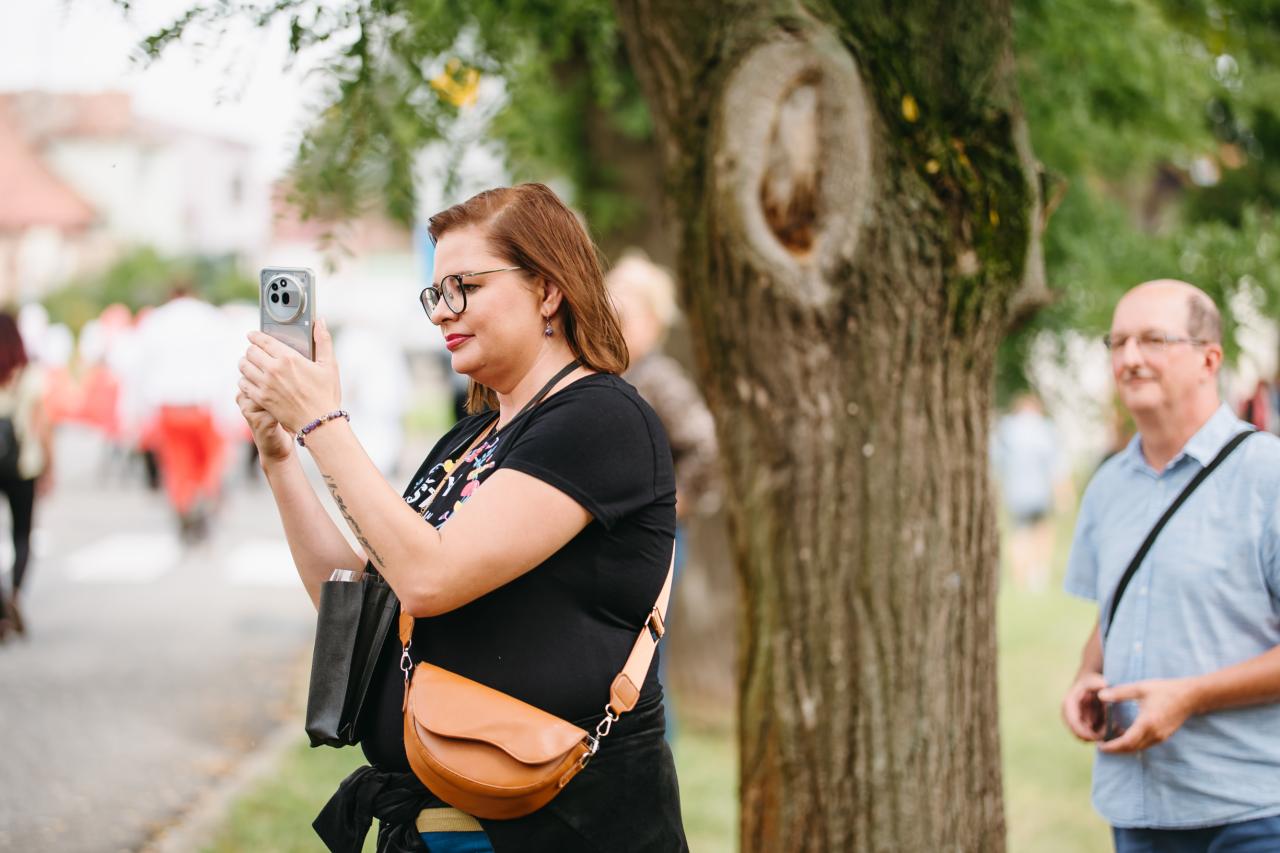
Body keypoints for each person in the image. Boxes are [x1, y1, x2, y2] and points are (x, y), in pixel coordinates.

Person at [238, 183, 688, 852]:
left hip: (558, 831)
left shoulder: (602, 418)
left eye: (466, 287)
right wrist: (280, 456)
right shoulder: (471, 438)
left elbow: (429, 577)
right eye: (436, 293)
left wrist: (322, 420)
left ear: (547, 290)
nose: (442, 311)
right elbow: (359, 606)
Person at [1060, 279, 1280, 851]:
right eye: (1118, 342)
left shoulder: (1268, 476)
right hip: (1137, 811)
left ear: (1209, 359)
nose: (1129, 358)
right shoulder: (1107, 486)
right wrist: (1086, 678)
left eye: (1153, 340)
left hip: (1254, 813)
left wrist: (1191, 695)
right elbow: (1116, 608)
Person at [606, 251, 719, 740]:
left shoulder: (659, 378)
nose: (612, 319)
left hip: (655, 544)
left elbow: (707, 446)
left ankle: (654, 756)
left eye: (624, 311)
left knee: (645, 663)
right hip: (619, 542)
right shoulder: (614, 377)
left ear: (652, 320)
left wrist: (676, 504)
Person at [0, 312, 53, 641]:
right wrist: (50, 467)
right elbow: (42, 426)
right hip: (23, 465)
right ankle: (16, 595)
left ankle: (1, 602)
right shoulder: (28, 375)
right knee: (22, 533)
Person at [991, 392, 1066, 592]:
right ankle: (1038, 572)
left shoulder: (1008, 430)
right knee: (1041, 531)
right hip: (1040, 493)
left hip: (1016, 493)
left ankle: (1021, 577)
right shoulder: (1044, 429)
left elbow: (997, 463)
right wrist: (1063, 494)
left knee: (1019, 534)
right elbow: (1056, 466)